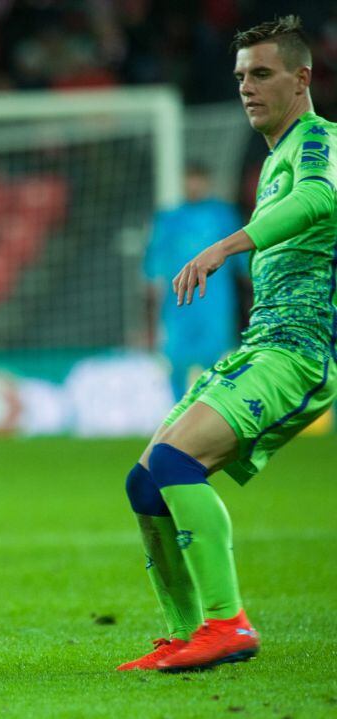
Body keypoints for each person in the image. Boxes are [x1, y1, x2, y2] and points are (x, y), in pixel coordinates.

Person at [118, 15, 335, 673]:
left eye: (262, 73)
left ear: (302, 78)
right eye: (241, 75)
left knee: (178, 460)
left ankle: (226, 623)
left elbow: (321, 201)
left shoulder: (317, 143)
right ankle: (188, 632)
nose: (246, 87)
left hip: (297, 349)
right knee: (146, 479)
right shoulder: (273, 161)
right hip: (259, 342)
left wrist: (226, 243)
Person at [144, 164, 247, 399]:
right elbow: (154, 265)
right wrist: (151, 303)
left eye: (197, 180)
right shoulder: (169, 218)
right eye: (189, 180)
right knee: (176, 360)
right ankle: (177, 413)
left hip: (215, 303)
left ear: (206, 182)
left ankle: (213, 412)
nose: (193, 185)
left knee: (216, 359)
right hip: (178, 304)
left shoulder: (224, 215)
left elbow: (243, 261)